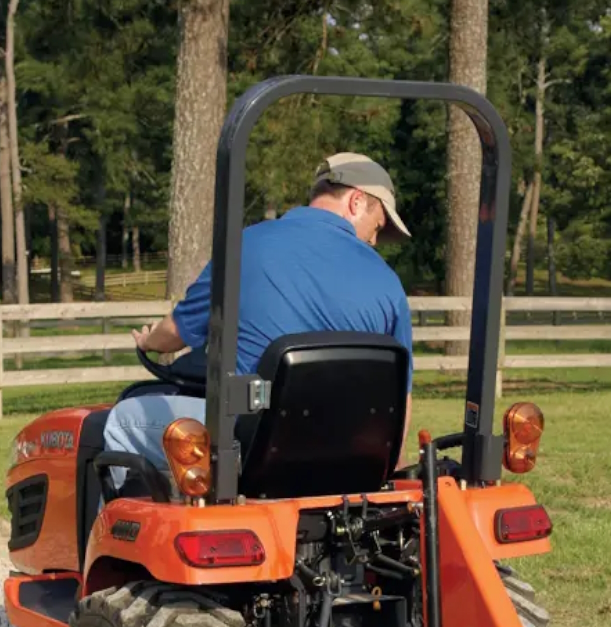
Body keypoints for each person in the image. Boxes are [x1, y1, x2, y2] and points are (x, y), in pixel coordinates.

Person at [104, 153, 416, 474]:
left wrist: (148, 341)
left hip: (254, 447)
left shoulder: (246, 245)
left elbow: (174, 334)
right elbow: (399, 398)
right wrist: (390, 468)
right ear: (356, 201)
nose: (374, 239)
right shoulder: (389, 283)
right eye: (377, 226)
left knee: (120, 421)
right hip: (345, 455)